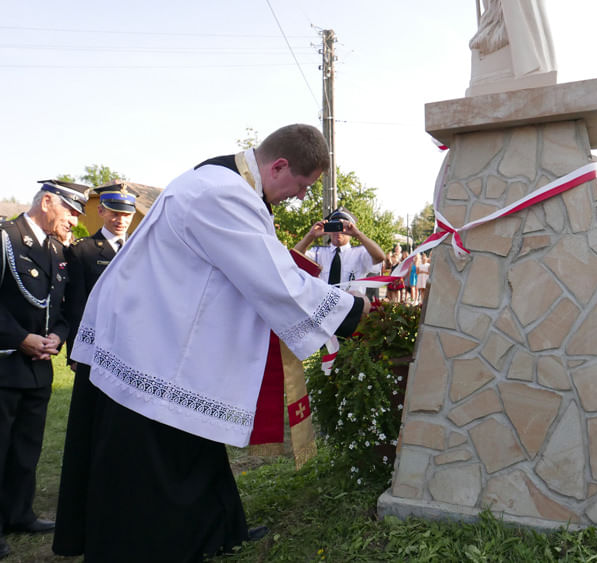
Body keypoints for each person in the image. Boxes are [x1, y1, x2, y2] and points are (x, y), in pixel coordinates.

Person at [53, 124, 371, 562]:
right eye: (302, 186)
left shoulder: (224, 184)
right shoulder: (222, 194)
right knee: (148, 461)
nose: (301, 198)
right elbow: (272, 277)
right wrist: (350, 310)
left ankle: (217, 527)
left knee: (192, 439)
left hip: (157, 335)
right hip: (147, 346)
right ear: (278, 166)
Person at [0, 179, 87, 560]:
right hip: (5, 362)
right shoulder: (6, 239)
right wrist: (20, 337)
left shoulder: (56, 249)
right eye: (70, 211)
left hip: (39, 367)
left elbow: (63, 307)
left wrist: (57, 336)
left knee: (26, 448)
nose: (74, 221)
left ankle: (19, 514)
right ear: (48, 201)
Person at [64, 184, 136, 367]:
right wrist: (75, 352)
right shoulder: (82, 250)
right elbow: (76, 305)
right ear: (101, 211)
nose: (120, 220)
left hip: (131, 345)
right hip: (95, 344)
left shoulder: (140, 249)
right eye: (115, 213)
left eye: (126, 215)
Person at [294, 207, 385, 295]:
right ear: (328, 230)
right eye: (334, 226)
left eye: (343, 227)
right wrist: (311, 236)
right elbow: (294, 258)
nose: (338, 232)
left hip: (352, 306)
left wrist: (358, 234)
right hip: (324, 306)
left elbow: (380, 257)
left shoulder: (360, 253)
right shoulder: (318, 252)